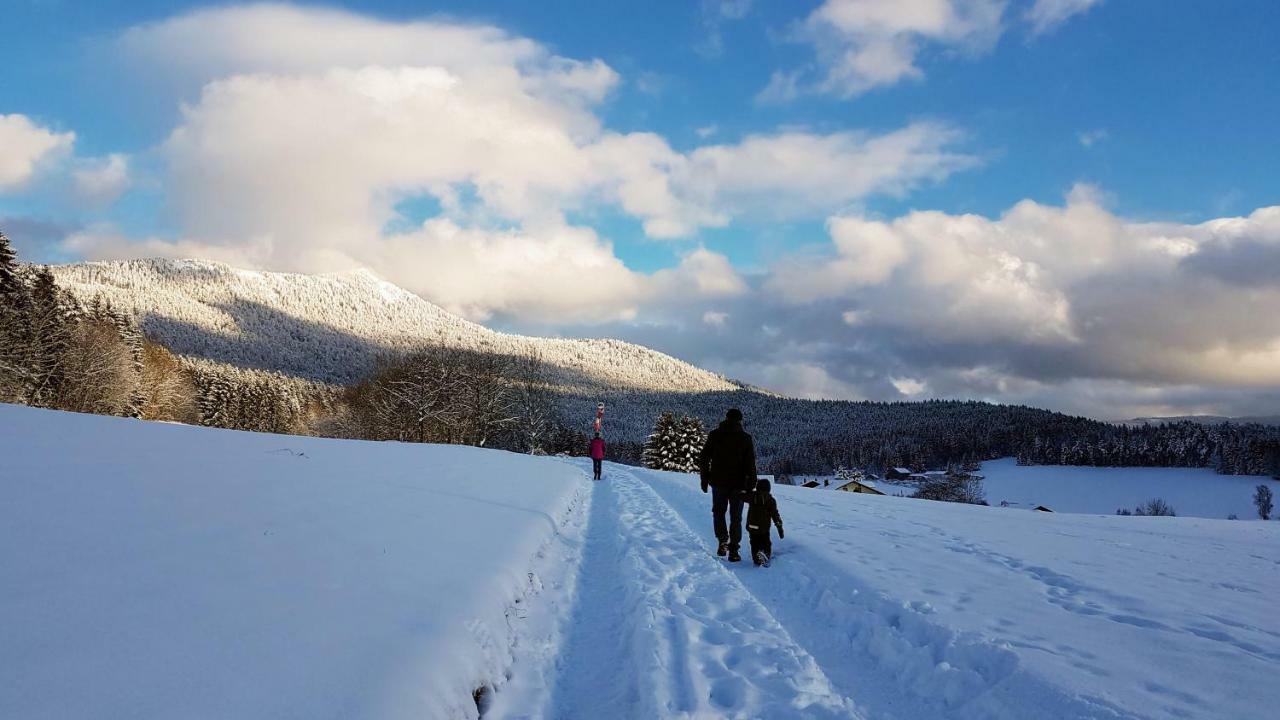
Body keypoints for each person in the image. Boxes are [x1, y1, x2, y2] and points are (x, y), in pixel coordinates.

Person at [698, 408, 757, 562]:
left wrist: (704, 478)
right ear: (740, 420)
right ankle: (734, 551)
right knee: (736, 518)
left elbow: (704, 457)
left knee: (718, 512)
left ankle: (722, 540)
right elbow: (750, 463)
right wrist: (751, 484)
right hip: (739, 484)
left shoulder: (714, 435)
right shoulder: (745, 438)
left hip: (718, 482)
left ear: (726, 418)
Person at [745, 479, 784, 567]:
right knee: (766, 542)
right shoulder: (770, 500)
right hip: (763, 528)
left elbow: (742, 496)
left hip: (751, 526)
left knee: (754, 542)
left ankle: (756, 558)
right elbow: (775, 515)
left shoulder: (752, 496)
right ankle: (765, 554)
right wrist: (779, 527)